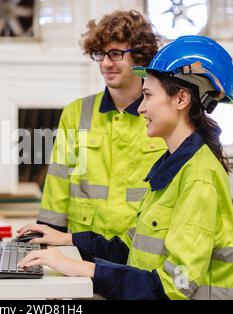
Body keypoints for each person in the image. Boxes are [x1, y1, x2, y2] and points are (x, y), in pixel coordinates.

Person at [18, 35, 233, 300]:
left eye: (148, 96)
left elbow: (175, 286)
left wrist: (81, 268)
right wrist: (67, 241)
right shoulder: (173, 167)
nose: (142, 108)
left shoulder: (199, 178)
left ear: (181, 98)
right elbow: (130, 247)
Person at [38, 10, 166, 240]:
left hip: (138, 256)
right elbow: (58, 181)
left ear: (140, 56)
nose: (106, 63)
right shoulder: (76, 113)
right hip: (83, 252)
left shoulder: (162, 116)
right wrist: (47, 241)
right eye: (100, 54)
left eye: (115, 53)